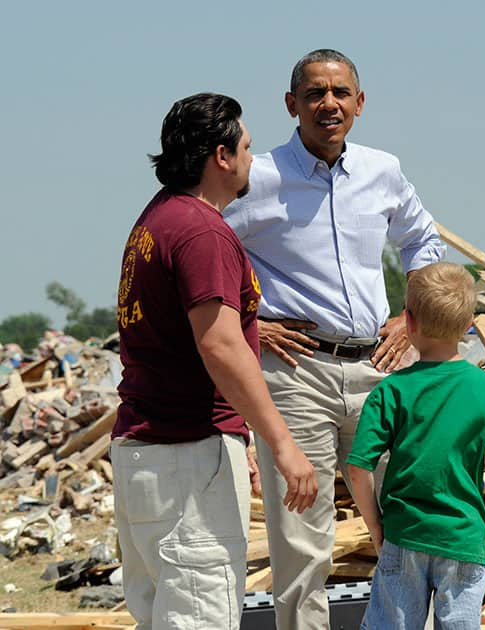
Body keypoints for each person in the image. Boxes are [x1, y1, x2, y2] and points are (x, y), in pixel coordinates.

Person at [224, 49, 444, 629]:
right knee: (303, 539)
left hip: (377, 366)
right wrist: (252, 322)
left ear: (360, 103)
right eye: (316, 94)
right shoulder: (259, 177)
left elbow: (423, 240)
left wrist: (410, 316)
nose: (329, 104)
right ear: (291, 104)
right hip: (296, 374)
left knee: (409, 512)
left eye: (341, 93)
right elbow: (206, 250)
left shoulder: (382, 170)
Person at [112, 93, 318, 630]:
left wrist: (239, 439)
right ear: (221, 157)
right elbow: (221, 345)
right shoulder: (203, 232)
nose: (253, 160)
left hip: (149, 454)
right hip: (184, 459)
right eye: (246, 148)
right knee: (199, 619)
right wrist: (282, 443)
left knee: (161, 617)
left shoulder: (159, 218)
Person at [347, 262, 485, 629]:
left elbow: (358, 466)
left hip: (404, 532)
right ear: (469, 323)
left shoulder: (391, 390)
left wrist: (375, 525)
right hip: (463, 538)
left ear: (408, 321)